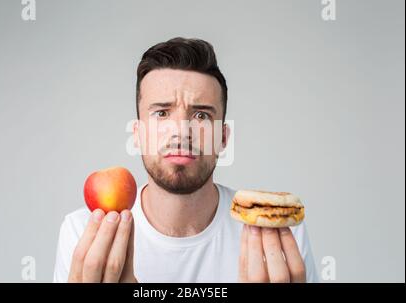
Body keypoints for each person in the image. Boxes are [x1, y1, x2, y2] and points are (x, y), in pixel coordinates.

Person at [53, 37, 318, 283]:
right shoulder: (84, 235)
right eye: (162, 113)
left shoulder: (278, 235)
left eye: (201, 116)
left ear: (223, 138)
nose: (181, 131)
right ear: (137, 134)